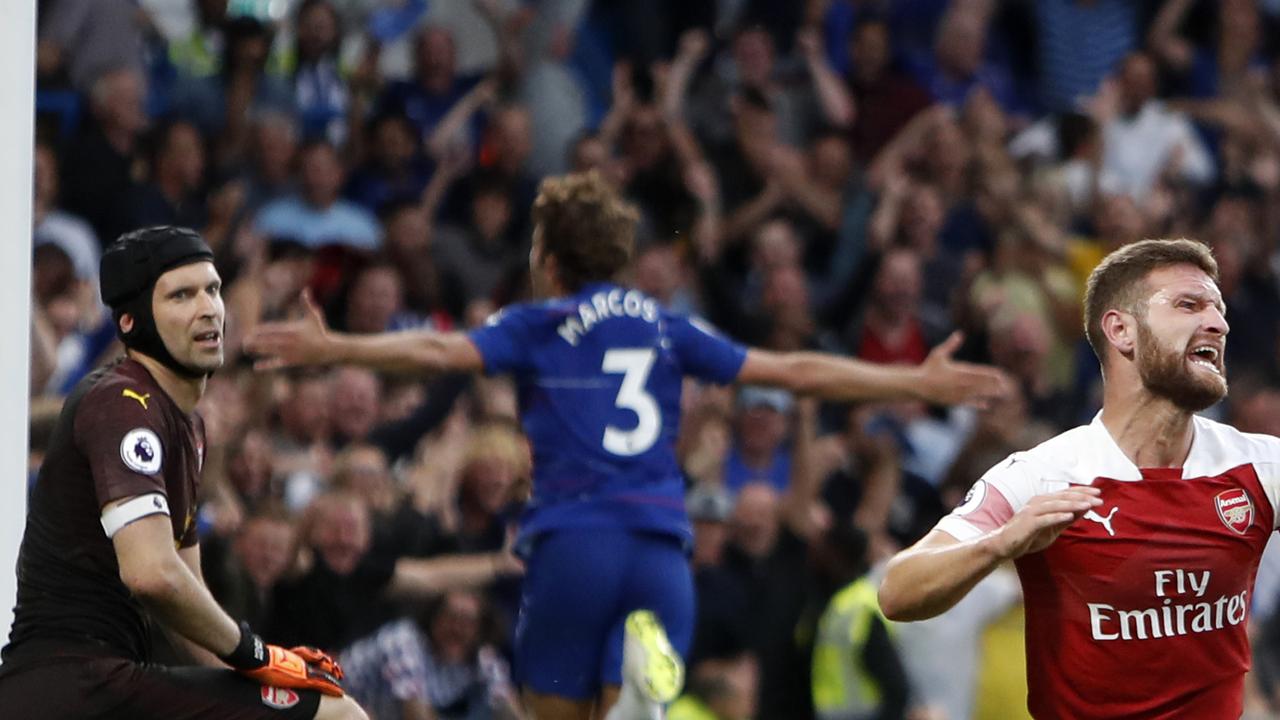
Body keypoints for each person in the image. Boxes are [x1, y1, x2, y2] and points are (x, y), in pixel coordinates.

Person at [246, 171, 1008, 720]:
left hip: (572, 541)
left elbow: (438, 357)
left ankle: (626, 702)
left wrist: (337, 342)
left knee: (547, 708)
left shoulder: (537, 321)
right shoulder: (665, 323)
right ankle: (634, 702)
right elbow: (794, 369)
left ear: (549, 258)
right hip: (659, 546)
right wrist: (916, 379)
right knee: (625, 700)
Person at [879, 238, 1280, 718]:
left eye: (1218, 309)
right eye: (1188, 305)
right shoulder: (1044, 475)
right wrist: (1000, 545)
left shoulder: (1261, 467)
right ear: (1121, 330)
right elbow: (897, 591)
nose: (1218, 322)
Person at [0, 226, 367, 720]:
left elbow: (183, 605)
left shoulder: (187, 425)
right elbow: (152, 574)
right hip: (75, 682)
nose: (209, 308)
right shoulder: (123, 403)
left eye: (213, 289)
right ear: (132, 322)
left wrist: (259, 671)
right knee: (335, 715)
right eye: (181, 295)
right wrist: (257, 654)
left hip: (106, 681)